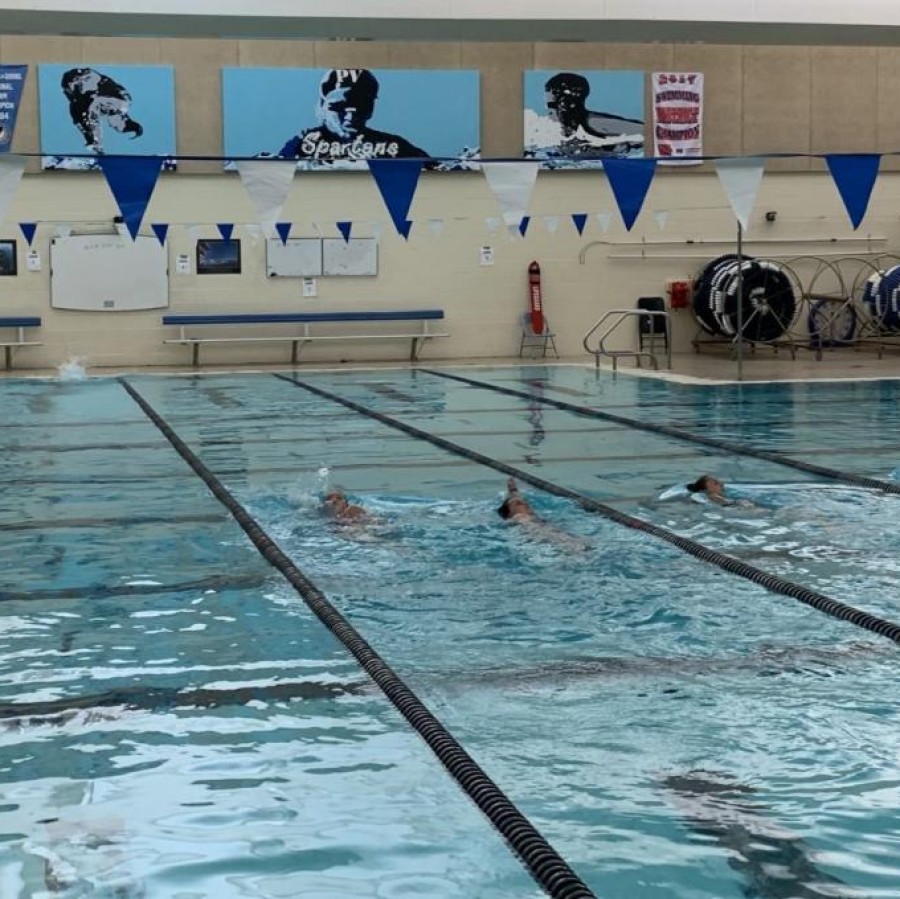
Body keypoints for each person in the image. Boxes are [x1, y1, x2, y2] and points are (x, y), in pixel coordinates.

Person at [276, 68, 431, 166]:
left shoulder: (394, 145)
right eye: (339, 106)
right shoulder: (303, 143)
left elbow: (437, 170)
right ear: (322, 107)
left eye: (361, 105)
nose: (350, 115)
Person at [542, 71, 644, 155]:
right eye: (549, 107)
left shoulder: (594, 123)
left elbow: (646, 131)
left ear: (567, 104)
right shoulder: (551, 130)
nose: (549, 113)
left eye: (553, 106)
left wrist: (611, 147)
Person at [60, 67, 144, 154]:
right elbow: (80, 123)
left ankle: (99, 141)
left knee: (95, 105)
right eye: (67, 91)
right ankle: (98, 147)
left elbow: (90, 84)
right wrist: (89, 138)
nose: (69, 93)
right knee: (116, 125)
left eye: (69, 89)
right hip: (105, 104)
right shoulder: (76, 101)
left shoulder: (88, 78)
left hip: (120, 100)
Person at [497, 478, 591, 551]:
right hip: (552, 539)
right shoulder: (519, 517)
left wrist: (513, 489)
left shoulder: (527, 517)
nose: (526, 504)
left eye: (525, 502)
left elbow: (515, 498)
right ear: (509, 514)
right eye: (519, 504)